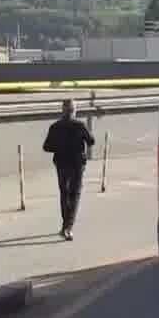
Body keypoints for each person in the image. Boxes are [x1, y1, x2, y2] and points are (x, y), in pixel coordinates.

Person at [42, 99, 95, 240]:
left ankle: (65, 226)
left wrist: (59, 146)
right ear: (74, 110)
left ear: (62, 110)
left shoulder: (55, 126)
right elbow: (91, 141)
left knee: (64, 193)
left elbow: (46, 147)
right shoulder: (80, 125)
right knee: (75, 194)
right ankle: (68, 227)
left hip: (61, 163)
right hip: (77, 163)